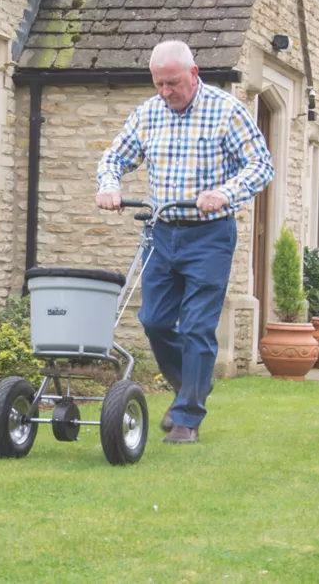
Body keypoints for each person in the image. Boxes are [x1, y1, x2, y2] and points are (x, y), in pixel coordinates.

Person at [95, 40, 275, 444]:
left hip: (209, 236)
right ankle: (190, 387)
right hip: (161, 233)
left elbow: (261, 166)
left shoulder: (226, 111)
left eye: (172, 83)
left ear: (194, 74)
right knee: (154, 321)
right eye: (158, 84)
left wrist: (225, 193)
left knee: (196, 326)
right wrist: (109, 185)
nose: (165, 92)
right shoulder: (148, 114)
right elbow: (113, 158)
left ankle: (187, 419)